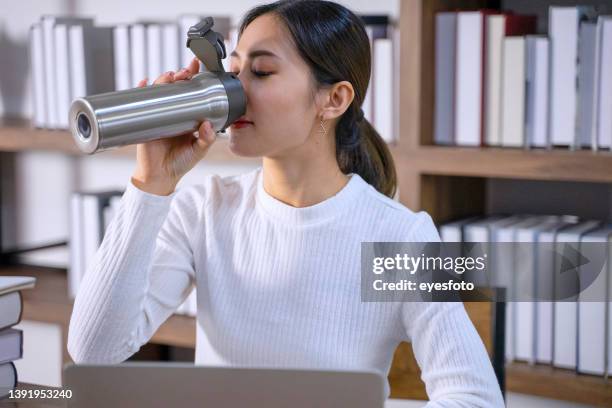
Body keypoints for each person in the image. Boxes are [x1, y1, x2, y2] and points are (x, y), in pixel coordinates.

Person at [67, 1, 504, 405]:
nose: (234, 90)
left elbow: (475, 398)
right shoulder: (203, 210)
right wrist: (151, 184)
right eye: (233, 70)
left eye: (260, 72)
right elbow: (93, 351)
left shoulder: (404, 237)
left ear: (333, 99)